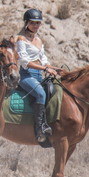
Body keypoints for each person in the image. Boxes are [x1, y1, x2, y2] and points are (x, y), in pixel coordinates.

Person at [16, 8, 61, 143]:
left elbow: (44, 60)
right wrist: (44, 68)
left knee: (53, 90)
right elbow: (24, 61)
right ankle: (40, 128)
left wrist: (54, 68)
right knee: (41, 94)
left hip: (38, 75)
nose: (35, 26)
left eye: (38, 23)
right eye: (33, 23)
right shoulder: (21, 39)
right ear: (26, 23)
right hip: (26, 76)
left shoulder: (38, 40)